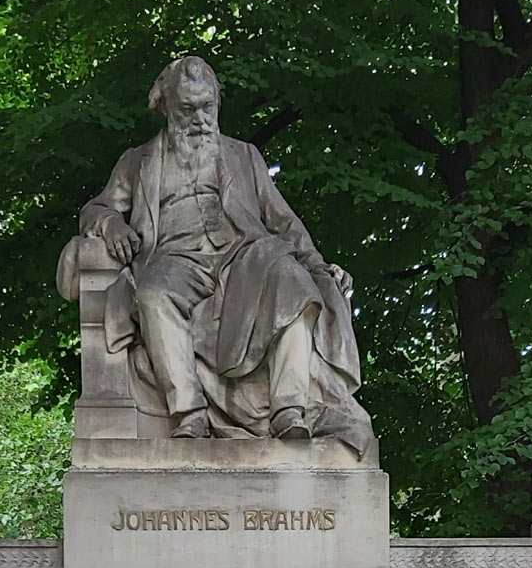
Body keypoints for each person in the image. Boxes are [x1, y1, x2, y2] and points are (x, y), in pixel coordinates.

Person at [77, 56, 374, 453]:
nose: (199, 118)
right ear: (165, 106)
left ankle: (290, 409)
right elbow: (96, 209)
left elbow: (283, 221)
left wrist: (318, 265)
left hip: (244, 256)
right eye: (187, 108)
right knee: (151, 294)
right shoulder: (137, 161)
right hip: (175, 259)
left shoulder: (244, 155)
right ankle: (188, 413)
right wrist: (112, 225)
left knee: (295, 281)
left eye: (207, 107)